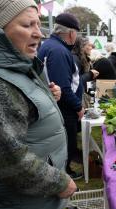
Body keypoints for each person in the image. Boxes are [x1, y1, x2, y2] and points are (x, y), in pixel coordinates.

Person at [0, 0, 77, 209]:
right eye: (27, 25)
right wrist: (60, 183)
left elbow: (22, 103)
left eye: (38, 25)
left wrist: (47, 97)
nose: (39, 34)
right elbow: (11, 160)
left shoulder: (19, 64)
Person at [38, 13, 84, 179]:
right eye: (76, 34)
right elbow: (62, 88)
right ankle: (64, 177)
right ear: (71, 33)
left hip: (58, 107)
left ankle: (64, 173)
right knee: (67, 144)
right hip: (64, 110)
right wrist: (78, 106)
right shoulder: (58, 51)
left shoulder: (50, 45)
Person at [72, 37, 99, 108]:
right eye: (89, 45)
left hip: (86, 96)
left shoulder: (84, 59)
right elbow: (76, 81)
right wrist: (90, 74)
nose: (91, 48)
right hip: (79, 99)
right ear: (82, 46)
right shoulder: (75, 59)